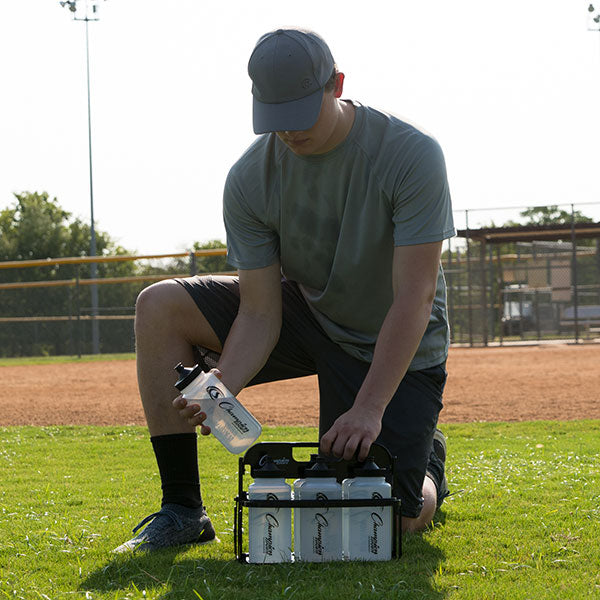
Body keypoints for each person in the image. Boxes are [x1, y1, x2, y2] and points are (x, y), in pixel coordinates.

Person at [114, 27, 455, 553]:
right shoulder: (250, 179)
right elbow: (259, 312)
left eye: (300, 113)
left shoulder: (411, 155)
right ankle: (182, 509)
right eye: (274, 117)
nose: (289, 133)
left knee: (386, 520)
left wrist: (368, 409)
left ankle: (428, 464)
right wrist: (224, 383)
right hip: (310, 315)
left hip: (391, 341)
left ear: (336, 85)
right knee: (158, 305)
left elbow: (414, 296)